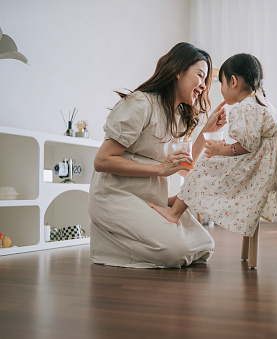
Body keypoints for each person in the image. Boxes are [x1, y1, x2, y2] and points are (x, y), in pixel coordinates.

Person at [88, 42, 227, 268]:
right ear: (178, 71)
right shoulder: (140, 104)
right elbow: (102, 161)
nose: (203, 86)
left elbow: (184, 166)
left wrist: (207, 131)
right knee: (178, 252)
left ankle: (129, 240)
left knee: (204, 246)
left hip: (150, 200)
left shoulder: (178, 117)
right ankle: (110, 244)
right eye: (200, 76)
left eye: (205, 81)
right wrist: (160, 169)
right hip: (116, 196)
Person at [149, 53, 277, 238]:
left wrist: (222, 149)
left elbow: (248, 145)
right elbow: (255, 142)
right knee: (211, 164)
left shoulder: (245, 107)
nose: (221, 90)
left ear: (233, 82)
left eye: (222, 84)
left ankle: (175, 211)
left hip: (255, 170)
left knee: (207, 164)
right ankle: (181, 199)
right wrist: (227, 148)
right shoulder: (263, 103)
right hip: (264, 168)